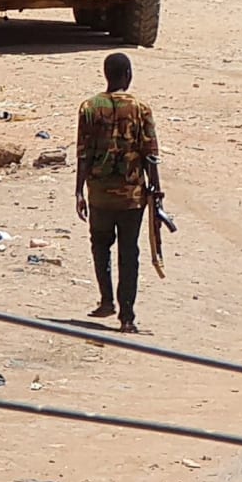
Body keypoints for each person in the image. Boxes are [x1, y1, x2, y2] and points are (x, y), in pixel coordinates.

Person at [77, 51, 163, 335]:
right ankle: (127, 317)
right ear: (128, 75)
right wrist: (157, 190)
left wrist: (78, 191)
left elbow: (83, 153)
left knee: (100, 246)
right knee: (129, 253)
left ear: (106, 75)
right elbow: (150, 154)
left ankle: (106, 300)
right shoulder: (141, 108)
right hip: (131, 196)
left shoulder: (89, 107)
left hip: (99, 194)